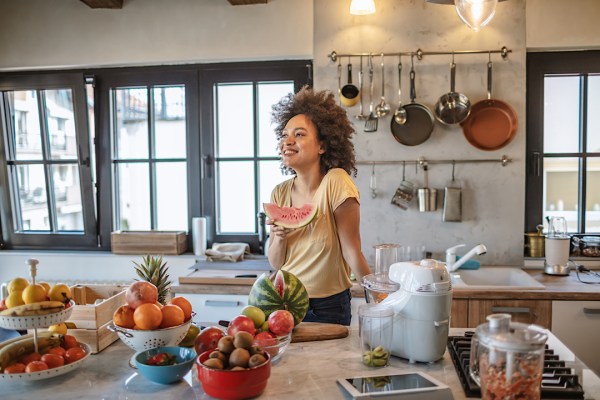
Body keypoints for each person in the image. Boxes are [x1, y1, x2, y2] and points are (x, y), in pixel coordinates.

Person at [266, 86, 372, 326]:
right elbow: (276, 263)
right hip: (284, 303)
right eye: (284, 135)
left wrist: (378, 297)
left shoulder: (336, 181)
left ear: (323, 146)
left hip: (329, 306)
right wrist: (280, 237)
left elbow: (352, 251)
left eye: (300, 134)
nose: (288, 141)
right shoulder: (279, 192)